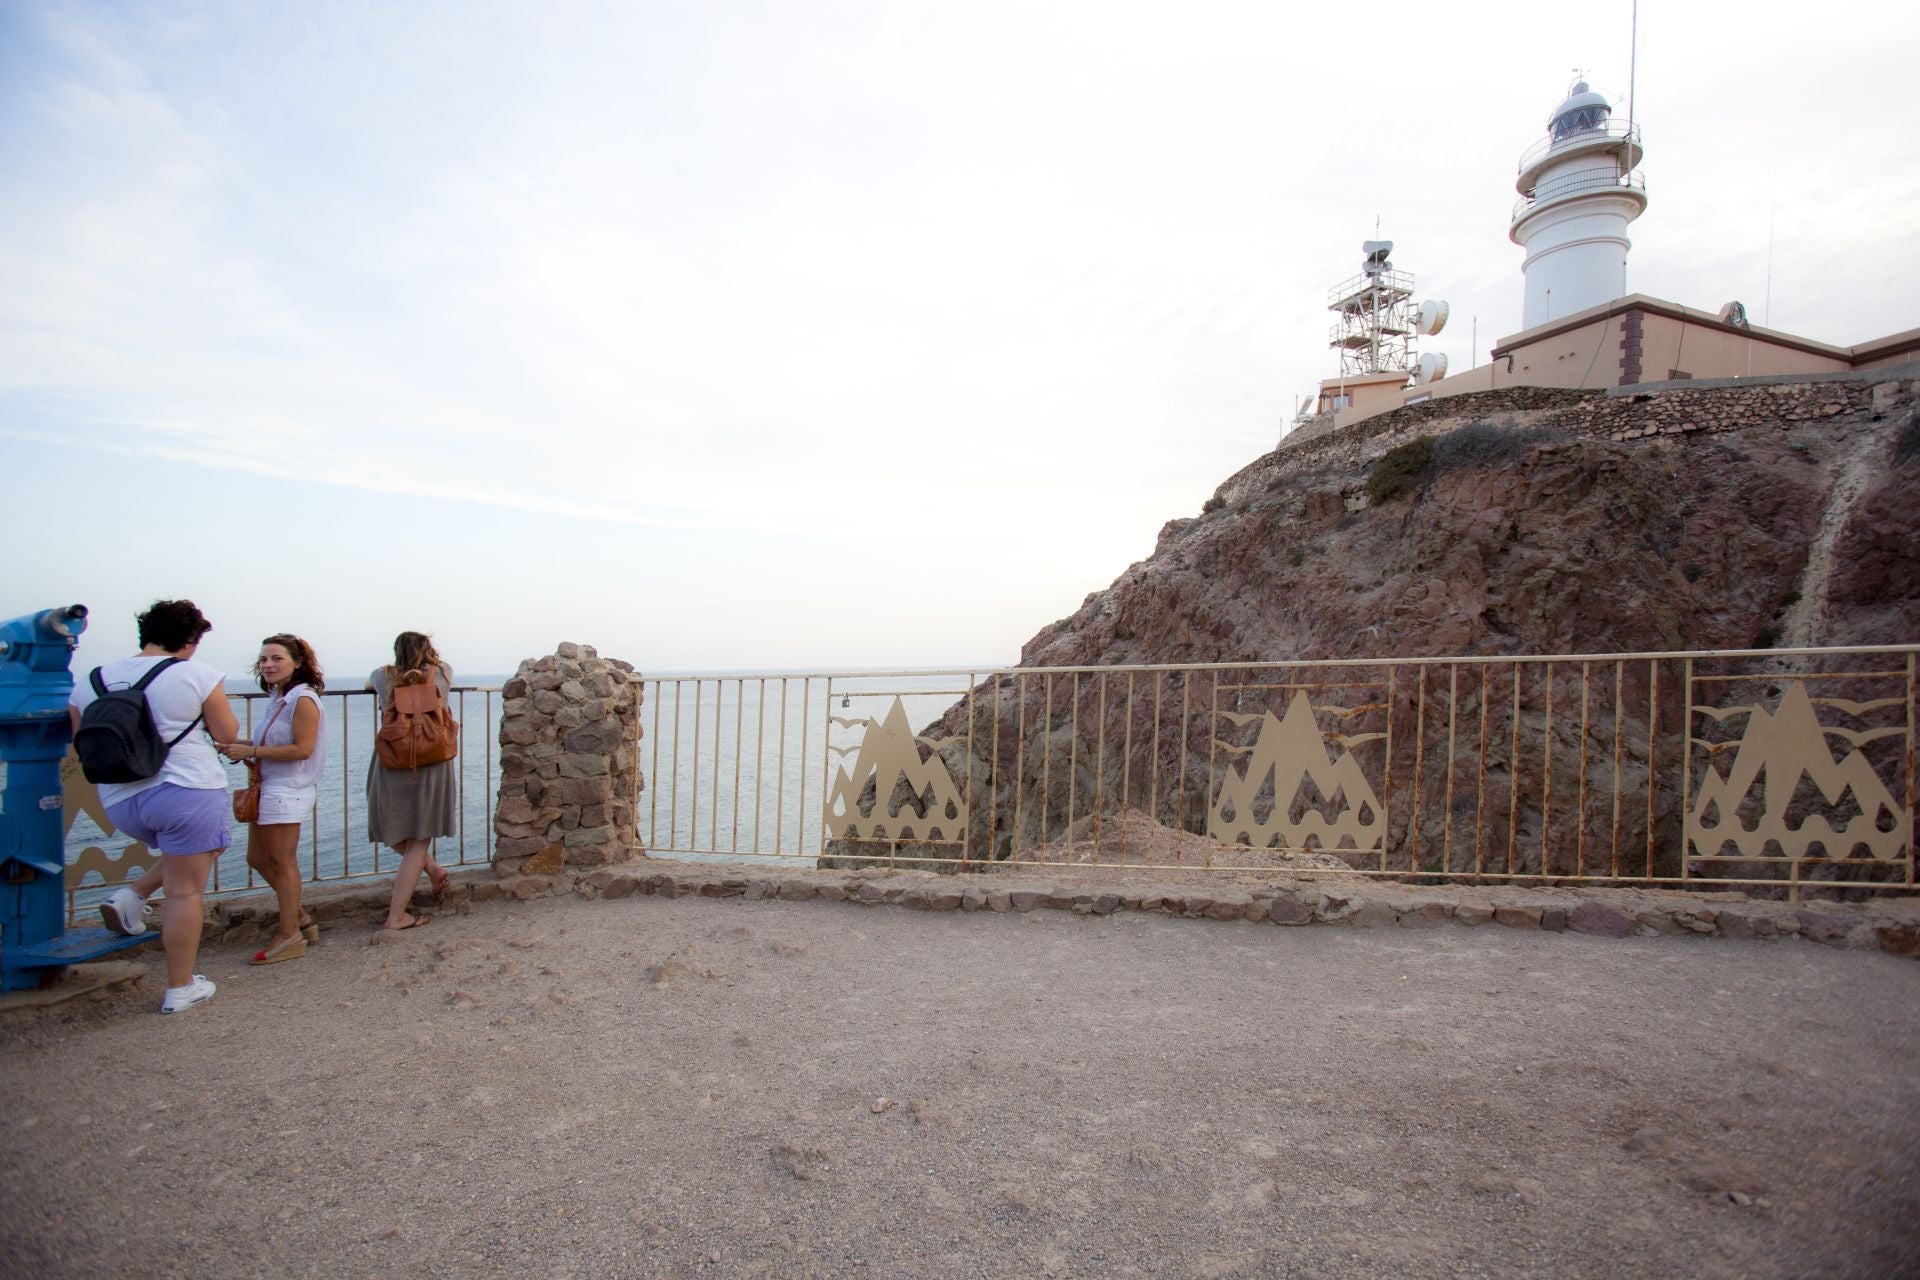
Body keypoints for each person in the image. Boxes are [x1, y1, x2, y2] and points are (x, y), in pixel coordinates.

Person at [73, 600, 241, 1014]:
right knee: (187, 891)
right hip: (187, 790)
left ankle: (132, 897)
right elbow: (226, 732)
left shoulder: (91, 680)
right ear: (189, 639)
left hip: (120, 800)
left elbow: (81, 741)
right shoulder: (195, 674)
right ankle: (180, 986)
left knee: (200, 851)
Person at [216, 634, 327, 964]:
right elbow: (276, 742)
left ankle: (288, 933)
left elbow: (302, 749)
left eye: (276, 658)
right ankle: (299, 919)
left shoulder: (303, 700)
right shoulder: (280, 697)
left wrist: (250, 750)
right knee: (258, 858)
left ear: (298, 663)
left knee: (282, 861)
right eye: (264, 659)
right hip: (268, 787)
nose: (267, 665)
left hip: (287, 789)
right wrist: (241, 745)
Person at [366, 631, 457, 930]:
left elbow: (369, 683)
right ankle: (399, 913)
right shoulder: (443, 672)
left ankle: (403, 906)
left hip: (393, 759)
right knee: (419, 839)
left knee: (391, 827)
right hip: (432, 759)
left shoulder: (382, 676)